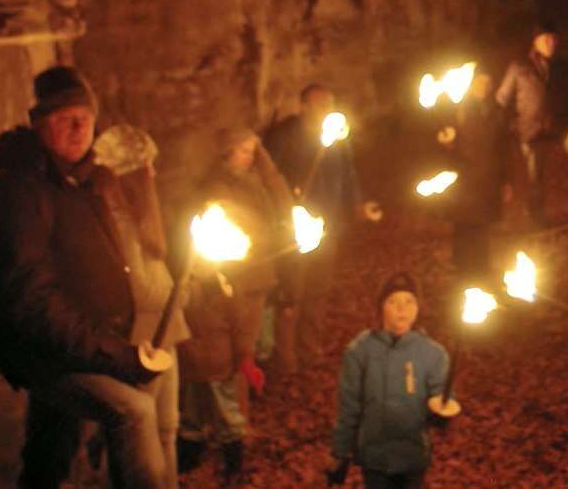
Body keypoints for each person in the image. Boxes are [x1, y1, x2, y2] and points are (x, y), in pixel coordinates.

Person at [0, 66, 170, 489]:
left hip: (79, 342)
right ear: (38, 124)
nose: (80, 125)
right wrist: (115, 354)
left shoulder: (79, 184)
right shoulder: (19, 193)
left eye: (85, 115)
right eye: (65, 117)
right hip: (48, 350)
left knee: (50, 451)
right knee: (133, 411)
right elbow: (33, 296)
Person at [179, 127, 294, 477]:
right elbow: (258, 231)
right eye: (245, 150)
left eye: (254, 150)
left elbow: (283, 207)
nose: (251, 156)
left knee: (245, 353)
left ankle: (226, 432)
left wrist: (268, 168)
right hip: (239, 280)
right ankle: (226, 438)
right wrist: (272, 235)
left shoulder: (254, 180)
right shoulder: (219, 191)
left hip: (256, 279)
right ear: (227, 152)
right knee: (233, 361)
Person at [93, 124, 189, 489]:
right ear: (133, 174)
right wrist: (184, 289)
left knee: (167, 428)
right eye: (147, 165)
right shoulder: (116, 222)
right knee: (140, 436)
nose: (154, 173)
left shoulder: (139, 219)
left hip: (164, 332)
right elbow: (143, 290)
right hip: (141, 341)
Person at [261, 85, 373, 375]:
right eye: (320, 103)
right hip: (295, 229)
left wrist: (356, 203)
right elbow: (269, 177)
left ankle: (308, 351)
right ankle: (285, 358)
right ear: (304, 106)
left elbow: (348, 172)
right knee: (291, 293)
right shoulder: (286, 137)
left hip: (328, 228)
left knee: (317, 292)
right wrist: (286, 206)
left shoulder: (335, 136)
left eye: (330, 102)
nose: (326, 108)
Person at [326, 271, 459, 488]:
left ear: (418, 308)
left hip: (413, 455)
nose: (401, 308)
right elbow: (349, 406)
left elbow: (442, 394)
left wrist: (442, 411)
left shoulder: (432, 353)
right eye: (393, 301)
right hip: (375, 457)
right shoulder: (361, 350)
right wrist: (340, 451)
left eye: (409, 301)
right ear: (381, 307)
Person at [496, 25, 568, 224]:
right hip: (530, 130)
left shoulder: (565, 67)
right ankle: (536, 217)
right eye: (545, 39)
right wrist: (512, 124)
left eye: (553, 39)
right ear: (535, 41)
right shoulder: (519, 67)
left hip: (559, 128)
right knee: (533, 173)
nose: (550, 43)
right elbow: (502, 100)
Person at [437, 67, 508, 297]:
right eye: (479, 81)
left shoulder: (497, 111)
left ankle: (481, 274)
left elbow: (505, 146)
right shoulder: (458, 110)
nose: (484, 86)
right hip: (465, 178)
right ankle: (462, 276)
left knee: (482, 229)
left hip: (488, 177)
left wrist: (507, 180)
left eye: (488, 81)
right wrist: (447, 144)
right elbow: (444, 143)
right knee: (463, 227)